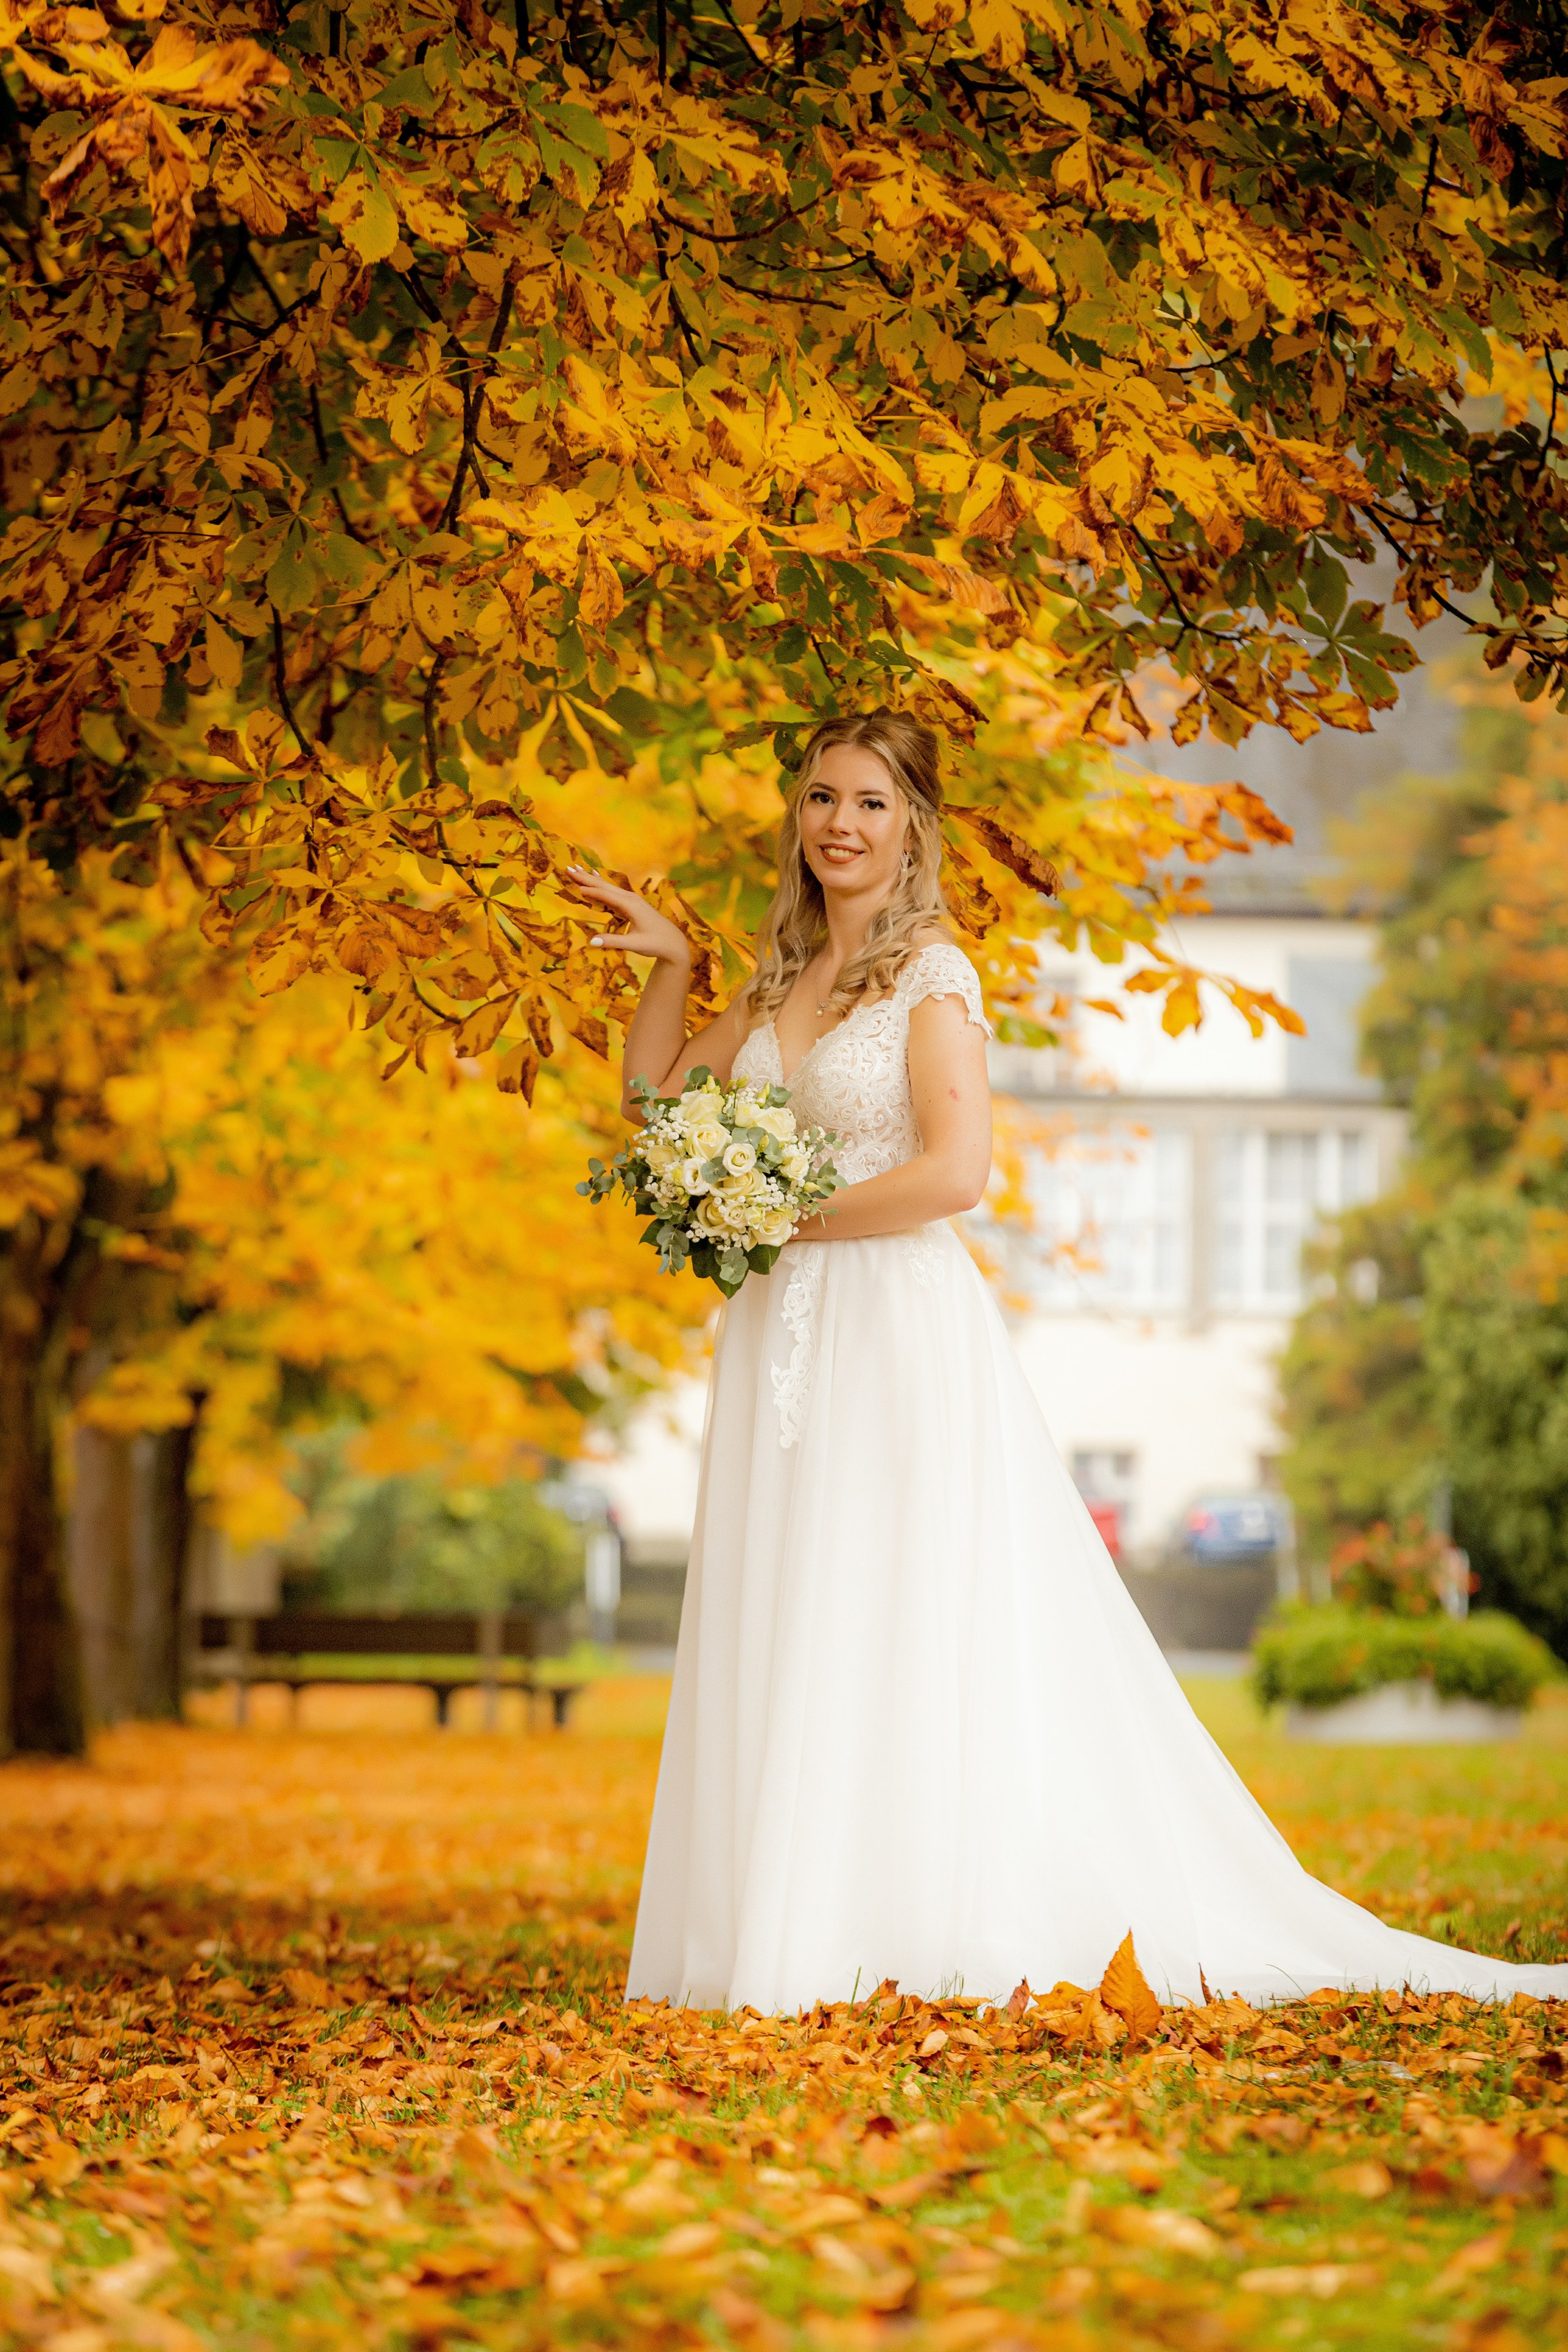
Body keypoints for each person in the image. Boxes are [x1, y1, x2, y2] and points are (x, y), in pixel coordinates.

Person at [571, 709, 1567, 2015]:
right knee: (787, 1590)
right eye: (820, 798)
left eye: (869, 801)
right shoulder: (769, 986)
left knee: (891, 1600)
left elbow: (953, 1172)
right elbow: (655, 1110)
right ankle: (790, 1918)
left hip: (890, 1323)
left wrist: (778, 1218)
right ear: (794, 819)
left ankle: (908, 1918)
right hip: (782, 1329)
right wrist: (669, 965)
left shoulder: (932, 976)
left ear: (911, 823)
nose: (839, 825)